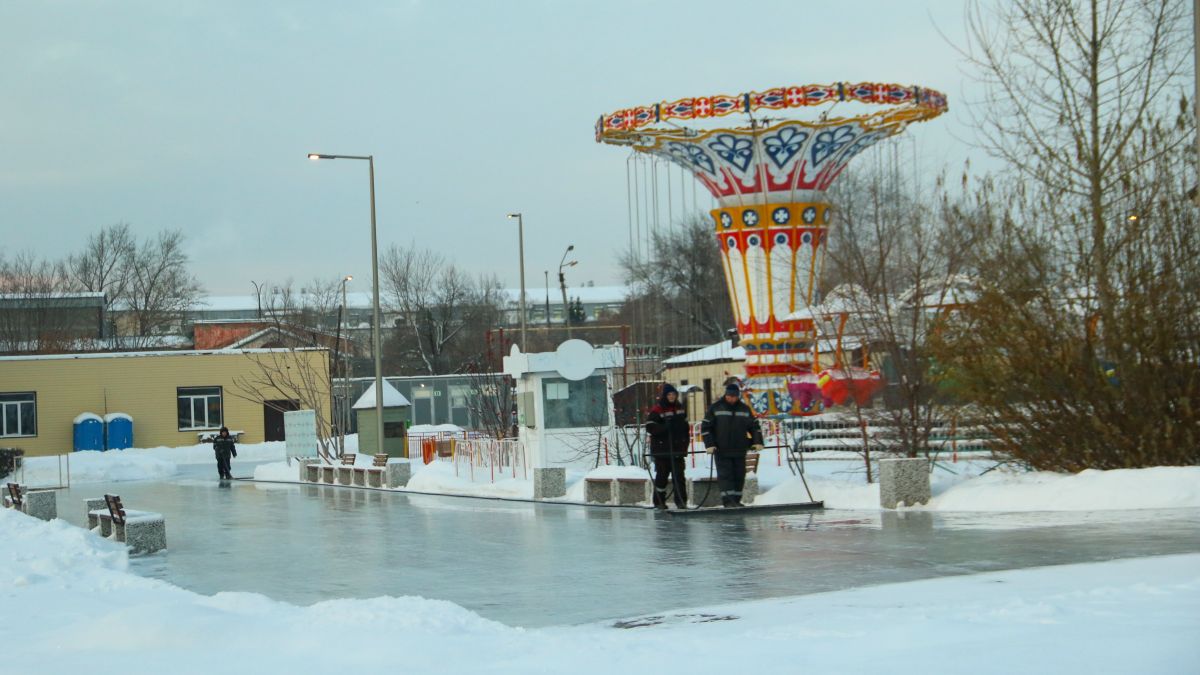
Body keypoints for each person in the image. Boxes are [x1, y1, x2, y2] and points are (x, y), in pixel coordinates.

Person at [700, 383, 763, 507]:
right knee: (725, 476)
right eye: (729, 396)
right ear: (726, 395)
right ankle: (728, 501)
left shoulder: (744, 409)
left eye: (734, 396)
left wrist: (758, 441)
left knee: (739, 475)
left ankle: (737, 500)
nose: (731, 398)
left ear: (737, 396)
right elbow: (706, 427)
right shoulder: (716, 408)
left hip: (739, 449)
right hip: (722, 450)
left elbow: (754, 426)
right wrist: (710, 444)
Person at [645, 383, 689, 509]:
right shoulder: (657, 409)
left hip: (677, 450)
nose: (672, 397)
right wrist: (664, 428)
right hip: (662, 451)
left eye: (674, 394)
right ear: (665, 396)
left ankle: (681, 502)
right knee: (662, 478)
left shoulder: (680, 408)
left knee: (679, 478)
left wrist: (685, 445)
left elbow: (685, 429)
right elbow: (650, 426)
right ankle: (659, 502)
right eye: (669, 394)